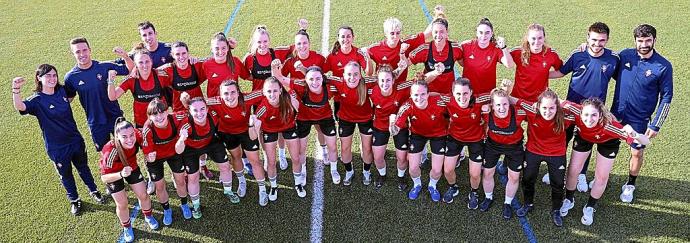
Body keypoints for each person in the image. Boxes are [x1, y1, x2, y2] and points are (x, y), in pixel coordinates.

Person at [12, 64, 106, 215]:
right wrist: (15, 90)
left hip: (75, 140)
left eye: (54, 75)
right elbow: (21, 107)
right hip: (57, 148)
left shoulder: (62, 91)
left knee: (83, 168)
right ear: (39, 78)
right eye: (47, 75)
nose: (52, 78)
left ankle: (94, 190)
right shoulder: (37, 100)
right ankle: (75, 200)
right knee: (66, 174)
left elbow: (71, 96)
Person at [545, 22, 619, 191]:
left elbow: (623, 79)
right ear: (587, 37)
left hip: (593, 113)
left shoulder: (613, 59)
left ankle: (582, 175)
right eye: (593, 39)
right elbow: (561, 72)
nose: (597, 44)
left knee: (587, 143)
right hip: (571, 110)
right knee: (562, 139)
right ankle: (557, 170)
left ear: (607, 40)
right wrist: (537, 75)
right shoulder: (578, 55)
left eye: (602, 40)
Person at [559, 98, 650, 226]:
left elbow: (646, 142)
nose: (589, 119)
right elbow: (554, 100)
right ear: (581, 112)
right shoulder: (575, 109)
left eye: (594, 115)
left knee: (601, 177)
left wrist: (633, 133)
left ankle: (590, 207)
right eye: (586, 114)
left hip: (608, 141)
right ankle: (569, 199)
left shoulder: (611, 126)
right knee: (573, 170)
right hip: (584, 137)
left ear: (600, 115)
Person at [610, 24, 673, 203]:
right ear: (635, 41)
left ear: (654, 40)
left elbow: (667, 97)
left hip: (639, 120)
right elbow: (608, 66)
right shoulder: (625, 55)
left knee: (636, 153)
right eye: (640, 41)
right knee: (605, 145)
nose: (644, 44)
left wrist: (656, 124)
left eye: (648, 40)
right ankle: (599, 177)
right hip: (616, 114)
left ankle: (630, 184)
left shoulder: (663, 66)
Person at [511, 89, 574, 227]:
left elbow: (585, 111)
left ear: (557, 107)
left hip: (557, 153)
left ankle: (556, 210)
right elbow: (514, 100)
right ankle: (528, 203)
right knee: (528, 179)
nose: (548, 111)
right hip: (533, 150)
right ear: (538, 106)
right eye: (544, 107)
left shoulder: (566, 116)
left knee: (557, 183)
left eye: (552, 107)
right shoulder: (531, 110)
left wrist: (565, 103)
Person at [273, 65, 339, 185]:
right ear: (305, 80)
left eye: (318, 79)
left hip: (325, 117)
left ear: (323, 78)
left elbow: (346, 84)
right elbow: (280, 78)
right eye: (311, 79)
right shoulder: (300, 84)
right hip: (304, 119)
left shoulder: (330, 87)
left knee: (333, 146)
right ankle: (302, 171)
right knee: (301, 149)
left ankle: (334, 169)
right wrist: (274, 66)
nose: (315, 82)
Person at [175, 96, 240, 218]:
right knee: (193, 177)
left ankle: (228, 190)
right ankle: (196, 205)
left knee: (225, 166)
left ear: (207, 108)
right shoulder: (186, 126)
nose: (199, 113)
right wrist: (181, 139)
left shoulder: (213, 116)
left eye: (202, 109)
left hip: (210, 143)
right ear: (189, 111)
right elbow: (178, 151)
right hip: (191, 150)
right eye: (195, 110)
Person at [64, 37, 133, 151]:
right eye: (77, 51)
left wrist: (125, 56)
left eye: (84, 50)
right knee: (105, 154)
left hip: (115, 116)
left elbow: (129, 69)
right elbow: (68, 99)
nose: (82, 54)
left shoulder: (104, 66)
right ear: (72, 54)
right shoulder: (71, 77)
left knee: (126, 148)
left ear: (90, 50)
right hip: (96, 122)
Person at [98, 118, 158, 243]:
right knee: (122, 204)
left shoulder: (137, 135)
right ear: (117, 136)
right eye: (124, 137)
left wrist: (149, 155)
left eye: (131, 135)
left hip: (132, 167)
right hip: (114, 174)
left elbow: (146, 142)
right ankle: (127, 227)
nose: (130, 139)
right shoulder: (110, 151)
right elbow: (104, 178)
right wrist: (120, 174)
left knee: (143, 195)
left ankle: (148, 216)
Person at [208, 81, 266, 206]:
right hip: (227, 133)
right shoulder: (215, 101)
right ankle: (242, 181)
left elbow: (267, 92)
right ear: (221, 95)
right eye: (226, 93)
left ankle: (262, 189)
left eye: (233, 92)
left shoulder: (246, 98)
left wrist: (258, 115)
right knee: (236, 157)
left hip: (247, 132)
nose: (230, 96)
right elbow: (197, 103)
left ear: (238, 92)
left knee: (255, 160)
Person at [391, 78, 449, 202]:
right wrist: (393, 128)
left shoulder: (439, 102)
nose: (420, 98)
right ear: (411, 95)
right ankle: (417, 184)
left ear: (428, 94)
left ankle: (432, 185)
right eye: (416, 95)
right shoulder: (407, 105)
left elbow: (454, 107)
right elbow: (397, 126)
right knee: (412, 168)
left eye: (423, 94)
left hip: (438, 135)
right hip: (418, 135)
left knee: (438, 169)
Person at [479, 87, 527, 219]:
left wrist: (516, 100)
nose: (502, 108)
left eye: (505, 104)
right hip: (493, 146)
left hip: (514, 147)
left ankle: (508, 202)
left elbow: (534, 109)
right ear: (492, 106)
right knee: (488, 173)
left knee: (514, 177)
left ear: (509, 103)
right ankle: (488, 198)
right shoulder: (485, 112)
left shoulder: (519, 113)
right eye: (498, 104)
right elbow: (472, 102)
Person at [441, 78, 489, 205]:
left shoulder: (480, 100)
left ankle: (474, 191)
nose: (462, 97)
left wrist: (489, 106)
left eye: (465, 93)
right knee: (448, 170)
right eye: (458, 93)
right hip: (455, 137)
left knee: (474, 174)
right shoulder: (447, 100)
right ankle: (453, 187)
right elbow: (431, 95)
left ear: (471, 92)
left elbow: (496, 94)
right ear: (452, 93)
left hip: (476, 139)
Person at [141, 98, 190, 224]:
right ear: (149, 117)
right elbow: (147, 155)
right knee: (160, 186)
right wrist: (149, 157)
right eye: (154, 114)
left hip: (174, 153)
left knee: (180, 181)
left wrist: (186, 101)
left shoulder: (176, 118)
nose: (159, 117)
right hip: (156, 159)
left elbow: (192, 112)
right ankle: (167, 209)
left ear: (167, 111)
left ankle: (184, 204)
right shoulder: (147, 129)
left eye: (161, 112)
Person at [329, 62, 378, 186]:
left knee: (367, 148)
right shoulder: (339, 82)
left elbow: (386, 76)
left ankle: (366, 171)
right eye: (349, 74)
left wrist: (401, 67)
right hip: (346, 119)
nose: (352, 77)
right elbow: (319, 76)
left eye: (356, 74)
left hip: (365, 119)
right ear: (344, 75)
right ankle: (349, 171)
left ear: (361, 75)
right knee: (345, 147)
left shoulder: (367, 82)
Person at [254, 77, 303, 200]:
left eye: (275, 91)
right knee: (271, 162)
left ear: (281, 90)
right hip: (270, 130)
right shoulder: (263, 108)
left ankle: (298, 184)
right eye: (269, 91)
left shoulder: (288, 97)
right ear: (264, 92)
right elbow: (255, 131)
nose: (272, 94)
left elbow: (299, 108)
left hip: (289, 126)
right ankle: (274, 186)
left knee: (296, 158)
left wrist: (289, 94)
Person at [108, 43, 171, 128]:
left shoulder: (161, 75)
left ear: (151, 62)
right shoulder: (131, 79)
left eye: (147, 61)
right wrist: (110, 81)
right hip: (142, 124)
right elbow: (113, 96)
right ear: (136, 64)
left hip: (161, 121)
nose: (144, 65)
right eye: (140, 62)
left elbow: (177, 82)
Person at [369, 65, 412, 190]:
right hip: (380, 127)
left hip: (400, 126)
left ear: (393, 80)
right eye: (382, 80)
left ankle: (401, 176)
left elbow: (421, 81)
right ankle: (382, 175)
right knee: (377, 156)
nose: (385, 83)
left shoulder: (402, 87)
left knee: (401, 156)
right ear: (377, 80)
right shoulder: (372, 91)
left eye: (388, 80)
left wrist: (437, 71)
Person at [460, 17, 515, 95]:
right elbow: (458, 58)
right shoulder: (466, 45)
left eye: (487, 33)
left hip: (487, 95)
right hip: (467, 94)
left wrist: (503, 47)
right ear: (476, 33)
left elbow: (509, 65)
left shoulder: (496, 49)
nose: (483, 36)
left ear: (492, 33)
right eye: (481, 32)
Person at [509, 23, 563, 102]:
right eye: (533, 38)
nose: (537, 42)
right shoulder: (518, 52)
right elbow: (500, 55)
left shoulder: (551, 54)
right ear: (528, 38)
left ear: (544, 38)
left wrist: (544, 74)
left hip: (539, 101)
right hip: (518, 99)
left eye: (540, 38)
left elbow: (561, 70)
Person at [408, 17, 462, 94]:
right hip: (428, 94)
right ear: (432, 33)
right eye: (435, 32)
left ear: (447, 32)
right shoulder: (424, 49)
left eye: (441, 32)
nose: (438, 35)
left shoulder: (455, 48)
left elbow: (465, 63)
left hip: (448, 95)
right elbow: (407, 62)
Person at [158, 41, 207, 112]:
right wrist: (136, 69)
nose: (181, 57)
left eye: (184, 53)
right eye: (177, 54)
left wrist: (228, 45)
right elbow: (151, 72)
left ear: (188, 53)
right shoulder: (168, 69)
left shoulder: (197, 64)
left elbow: (216, 59)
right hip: (179, 111)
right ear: (172, 55)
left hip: (198, 109)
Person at [202, 32, 250, 98]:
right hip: (215, 105)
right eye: (217, 48)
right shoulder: (206, 64)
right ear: (212, 49)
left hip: (232, 102)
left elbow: (248, 76)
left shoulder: (235, 62)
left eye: (223, 48)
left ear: (228, 48)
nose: (220, 52)